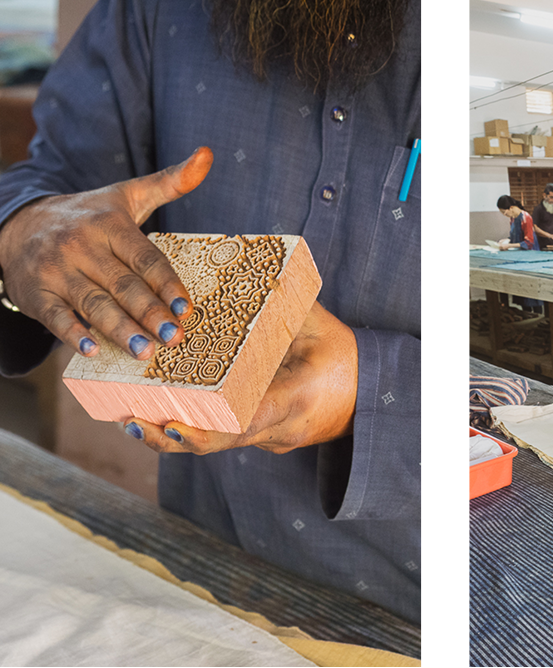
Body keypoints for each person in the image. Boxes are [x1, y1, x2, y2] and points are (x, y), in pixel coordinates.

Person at [0, 0, 422, 624]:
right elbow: (52, 179)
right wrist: (24, 229)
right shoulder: (151, 12)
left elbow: (518, 398)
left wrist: (377, 388)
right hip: (204, 556)